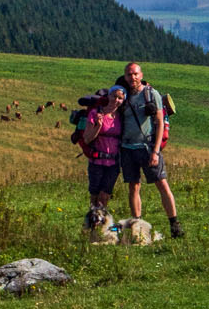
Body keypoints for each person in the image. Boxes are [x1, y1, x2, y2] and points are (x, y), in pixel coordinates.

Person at [112, 62, 180, 239]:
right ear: (125, 77)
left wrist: (155, 151)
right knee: (133, 187)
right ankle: (137, 226)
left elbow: (159, 123)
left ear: (141, 75)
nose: (132, 77)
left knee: (162, 184)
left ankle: (174, 225)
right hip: (127, 148)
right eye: (129, 75)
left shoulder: (151, 94)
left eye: (135, 74)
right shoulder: (123, 96)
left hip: (147, 147)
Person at [69, 88, 127, 234]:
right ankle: (91, 225)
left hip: (114, 162)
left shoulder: (120, 116)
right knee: (94, 195)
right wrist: (98, 127)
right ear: (109, 96)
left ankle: (103, 225)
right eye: (114, 96)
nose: (116, 100)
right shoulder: (96, 114)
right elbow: (87, 138)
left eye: (120, 98)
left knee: (105, 195)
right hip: (97, 161)